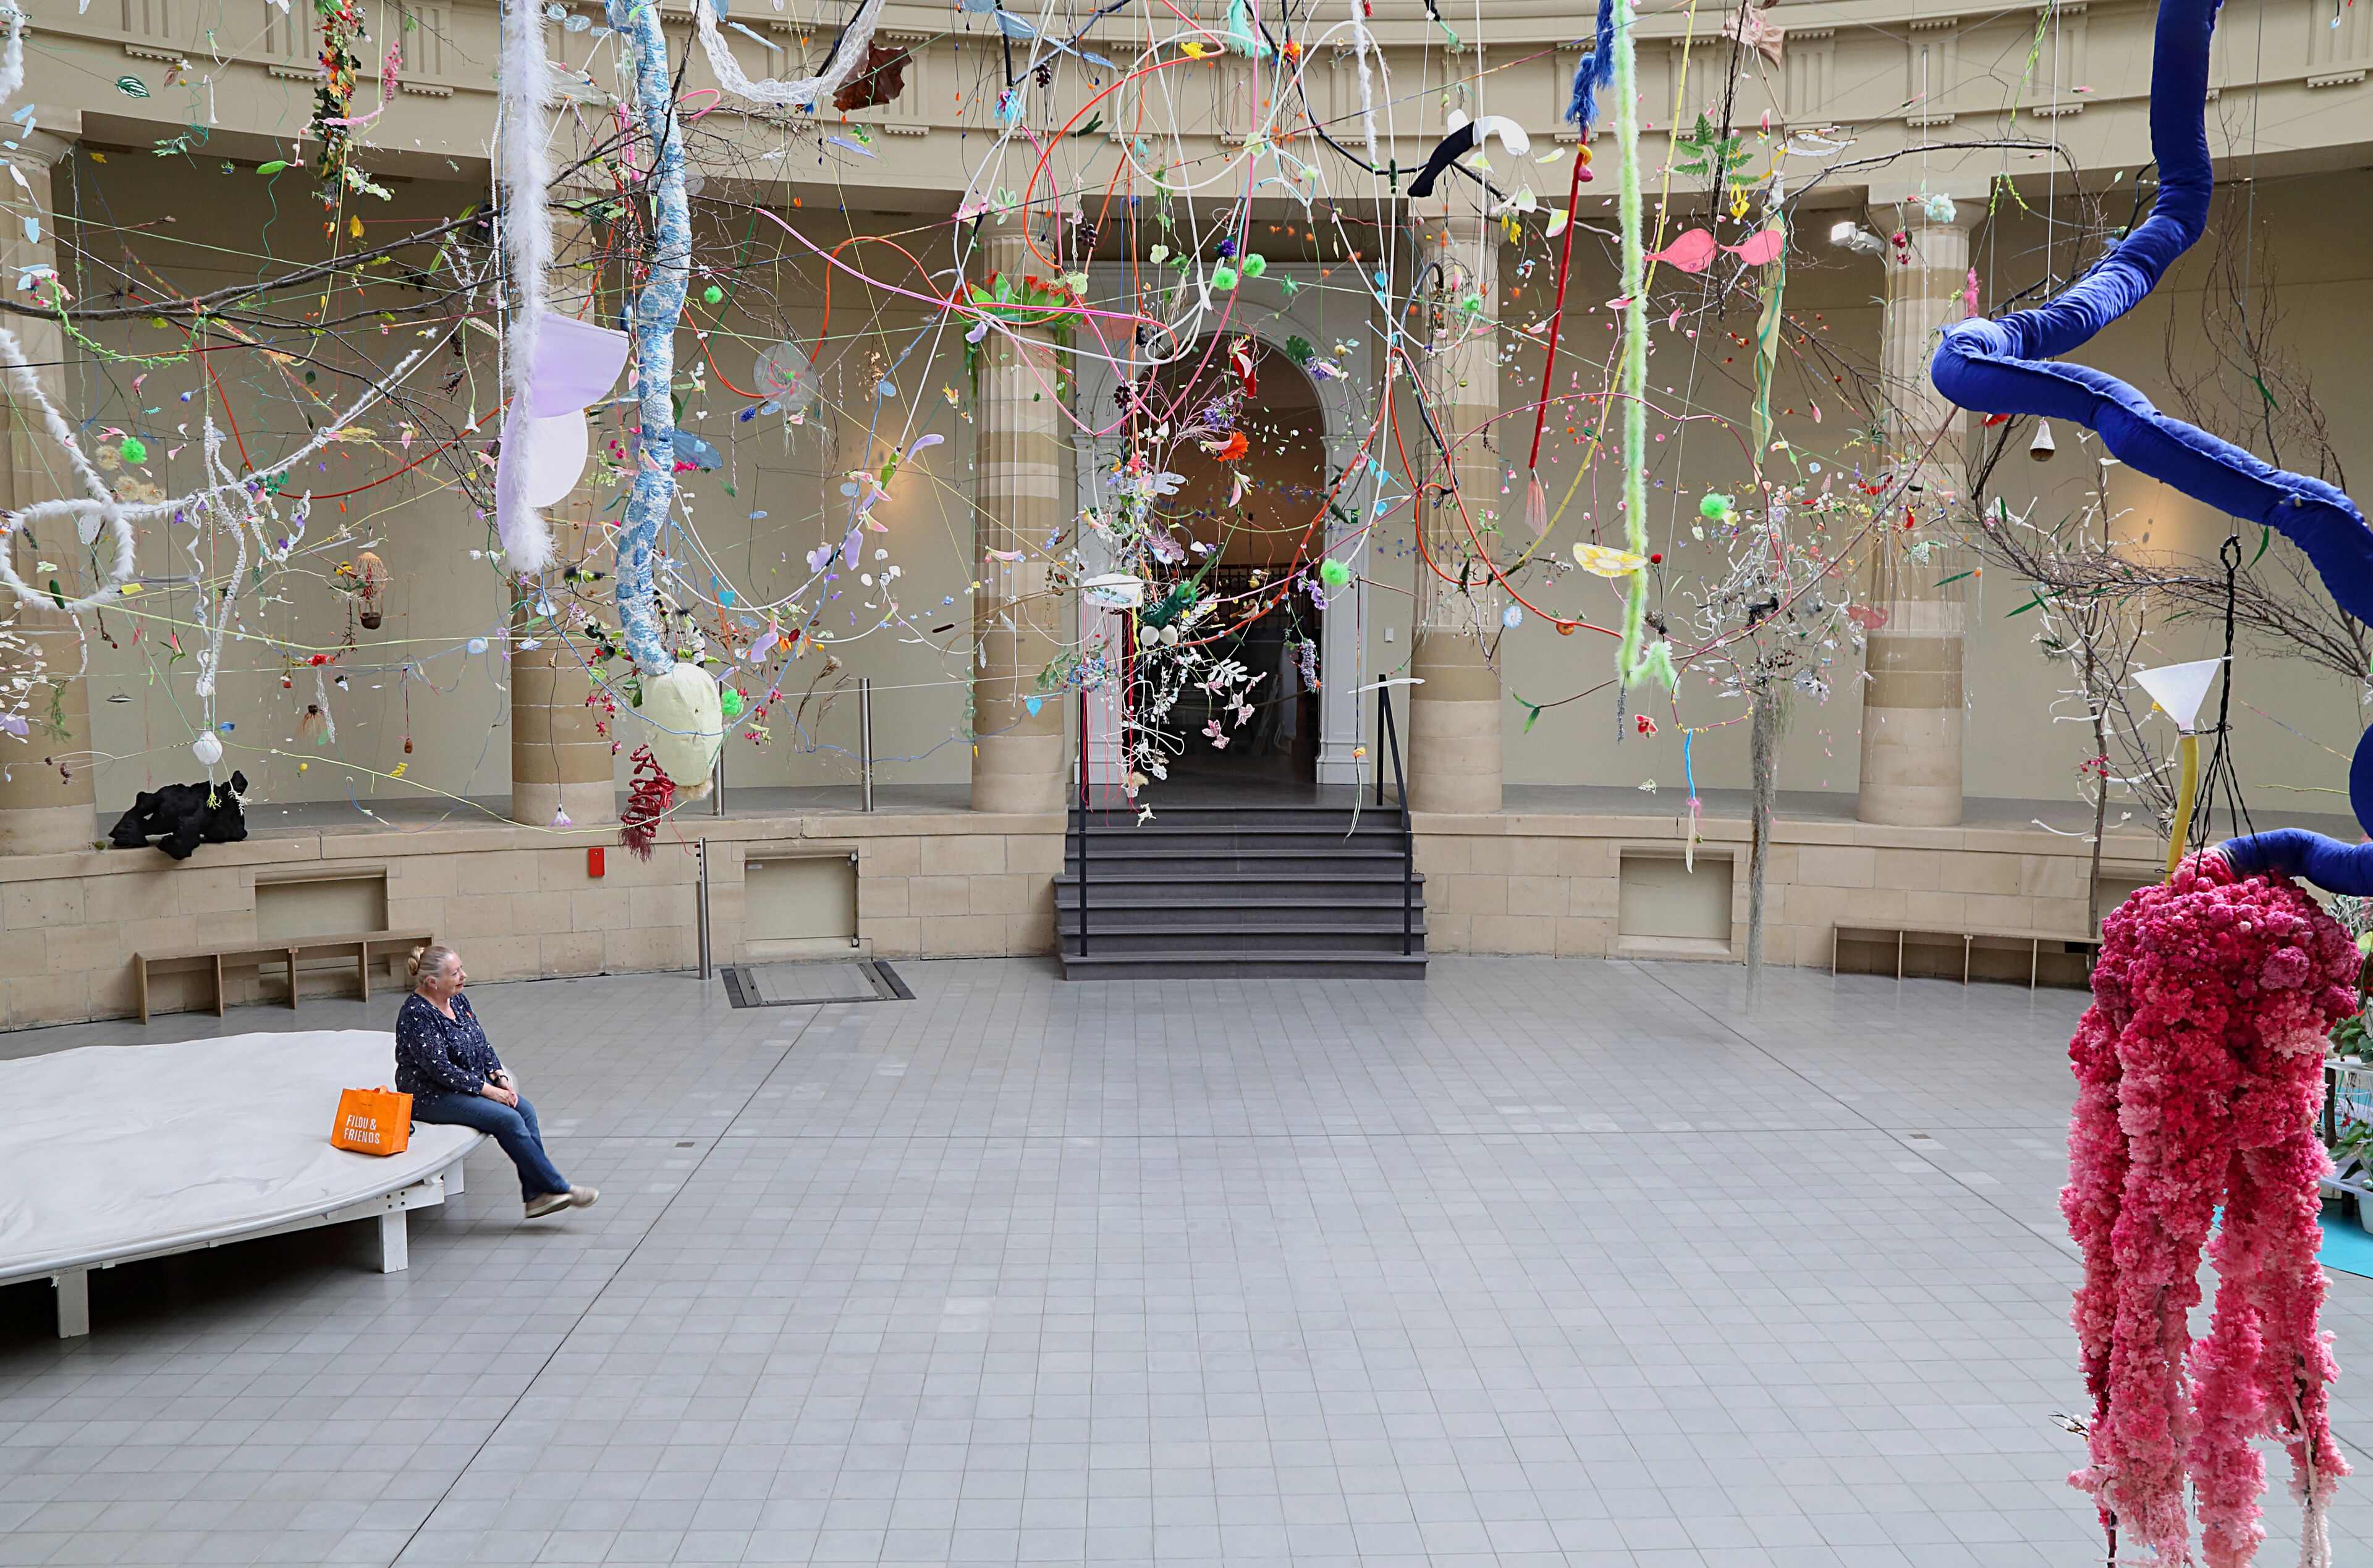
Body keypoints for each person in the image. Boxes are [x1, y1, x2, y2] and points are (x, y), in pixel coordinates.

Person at [395, 944, 597, 1219]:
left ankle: (535, 1196)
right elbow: (440, 1070)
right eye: (455, 973)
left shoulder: (456, 1000)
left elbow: (481, 1043)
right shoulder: (417, 1014)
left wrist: (499, 1077)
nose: (463, 976)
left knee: (525, 1110)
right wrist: (489, 1092)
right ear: (432, 982)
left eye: (461, 969)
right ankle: (560, 1187)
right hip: (430, 1095)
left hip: (465, 1083)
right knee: (508, 1119)